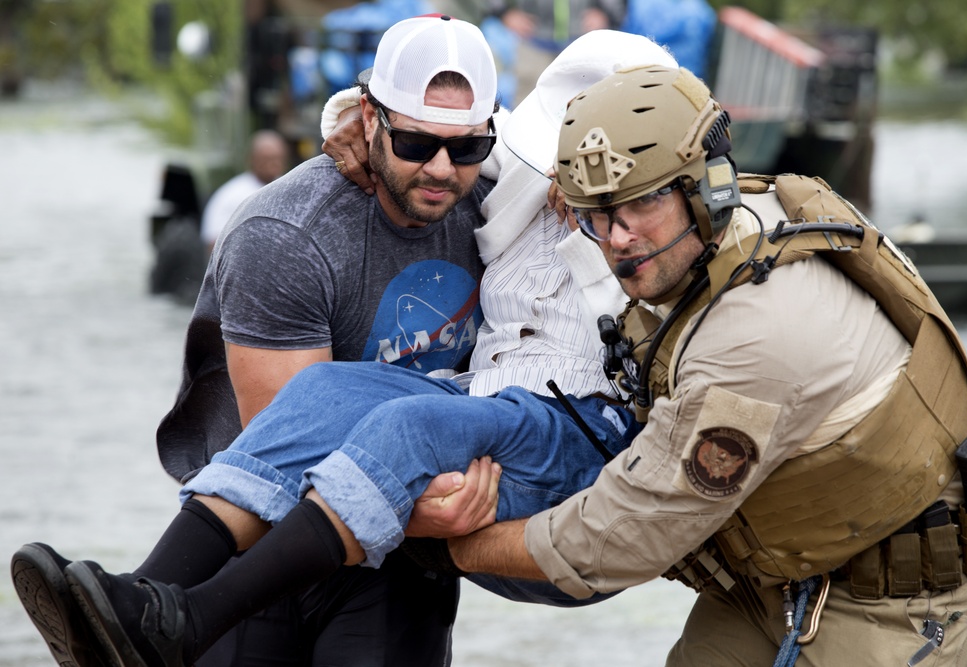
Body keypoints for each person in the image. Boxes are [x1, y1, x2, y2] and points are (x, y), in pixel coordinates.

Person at [10, 27, 678, 667]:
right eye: (414, 140)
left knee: (408, 426)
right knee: (324, 392)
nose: (444, 167)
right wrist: (349, 122)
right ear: (374, 123)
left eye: (464, 149)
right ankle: (134, 607)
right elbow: (435, 130)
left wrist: (608, 200)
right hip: (372, 471)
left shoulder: (656, 223)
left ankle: (189, 620)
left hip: (569, 421)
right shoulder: (494, 183)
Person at [439, 65, 967, 665]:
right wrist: (358, 129)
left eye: (636, 207)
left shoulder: (754, 336)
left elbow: (625, 536)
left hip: (897, 604)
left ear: (704, 190)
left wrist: (455, 546)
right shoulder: (744, 219)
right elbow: (594, 79)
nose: (617, 239)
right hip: (778, 574)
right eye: (594, 217)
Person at [486, 0, 626, 104]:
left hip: (583, 42)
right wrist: (504, 13)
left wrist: (606, 12)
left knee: (588, 105)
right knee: (527, 108)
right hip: (533, 42)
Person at [199, 129, 290, 253]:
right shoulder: (231, 194)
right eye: (267, 159)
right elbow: (213, 241)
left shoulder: (289, 190)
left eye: (278, 159)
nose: (273, 164)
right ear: (251, 159)